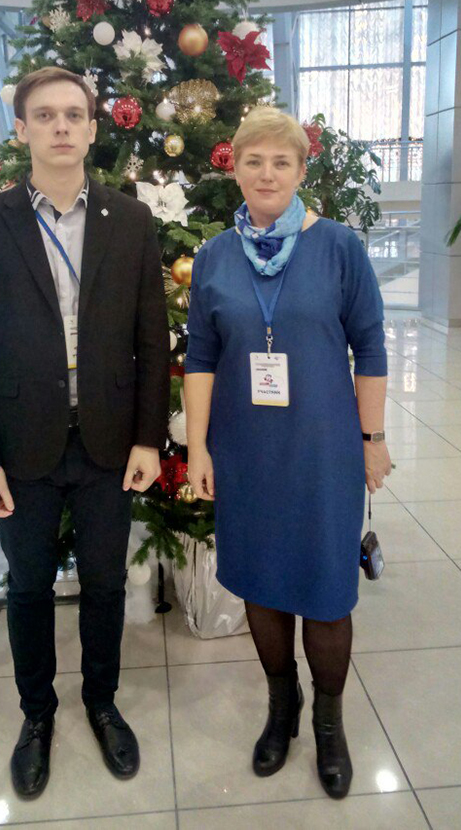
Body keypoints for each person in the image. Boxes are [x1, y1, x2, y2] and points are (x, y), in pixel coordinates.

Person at [0, 67, 170, 799]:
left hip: (109, 439)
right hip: (23, 443)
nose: (61, 126)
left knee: (106, 580)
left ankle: (101, 702)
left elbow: (151, 338)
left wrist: (148, 439)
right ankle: (36, 715)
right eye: (44, 115)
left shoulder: (130, 220)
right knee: (29, 586)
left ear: (93, 129)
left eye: (74, 114)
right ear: (22, 130)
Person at [184, 106, 390, 800]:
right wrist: (199, 447)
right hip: (245, 451)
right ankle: (282, 707)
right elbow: (201, 356)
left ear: (302, 170)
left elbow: (371, 348)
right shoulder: (214, 257)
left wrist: (372, 439)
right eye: (254, 161)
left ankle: (329, 723)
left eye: (281, 161)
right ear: (235, 169)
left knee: (327, 594)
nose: (267, 173)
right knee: (261, 583)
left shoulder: (337, 247)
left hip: (323, 449)